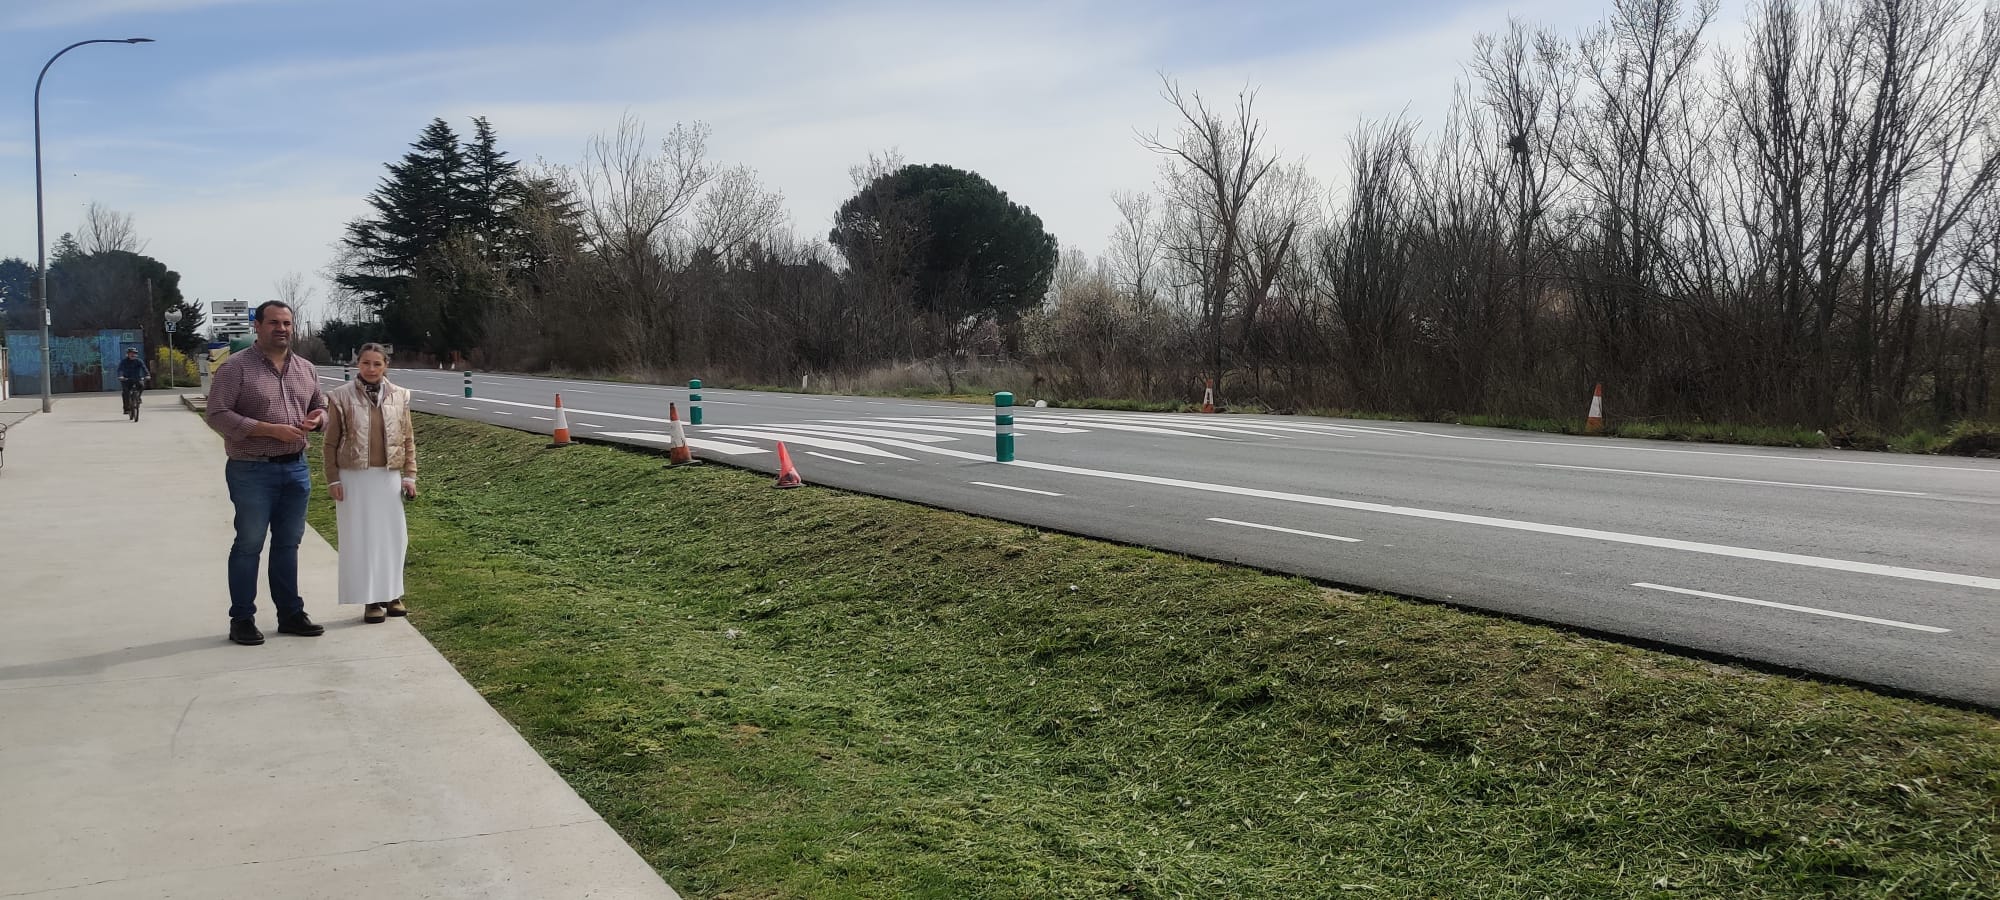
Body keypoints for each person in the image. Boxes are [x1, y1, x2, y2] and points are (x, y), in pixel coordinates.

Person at [203, 301, 327, 645]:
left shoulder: (305, 368)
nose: (282, 329)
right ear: (256, 326)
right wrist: (268, 430)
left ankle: (290, 613)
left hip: (296, 469)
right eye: (273, 322)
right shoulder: (235, 369)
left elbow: (320, 404)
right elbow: (217, 414)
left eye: (287, 323)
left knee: (288, 544)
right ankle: (242, 618)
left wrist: (318, 420)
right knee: (249, 545)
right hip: (251, 470)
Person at [321, 343, 417, 623]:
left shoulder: (400, 396)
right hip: (354, 477)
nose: (371, 369)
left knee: (393, 537)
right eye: (366, 363)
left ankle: (393, 594)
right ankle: (371, 600)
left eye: (377, 364)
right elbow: (329, 443)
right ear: (357, 365)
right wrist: (333, 479)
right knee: (361, 538)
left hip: (388, 476)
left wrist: (410, 475)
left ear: (386, 365)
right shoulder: (340, 397)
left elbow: (408, 438)